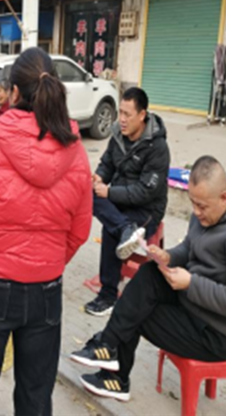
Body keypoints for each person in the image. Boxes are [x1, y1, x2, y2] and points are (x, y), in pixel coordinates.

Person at [0, 47, 93, 416]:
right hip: (46, 288)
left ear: (14, 92)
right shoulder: (75, 151)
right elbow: (80, 229)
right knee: (36, 394)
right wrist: (49, 261)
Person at [71, 155, 226, 403]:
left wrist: (191, 283)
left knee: (136, 312)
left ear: (224, 197)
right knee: (147, 275)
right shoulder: (204, 214)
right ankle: (107, 348)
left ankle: (116, 375)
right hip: (193, 302)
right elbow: (190, 247)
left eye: (202, 207)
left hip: (214, 331)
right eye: (193, 204)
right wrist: (168, 256)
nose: (197, 212)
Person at [85, 88, 171, 316]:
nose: (121, 119)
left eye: (127, 114)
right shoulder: (118, 135)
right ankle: (125, 228)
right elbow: (107, 163)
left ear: (142, 115)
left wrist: (109, 192)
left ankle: (108, 296)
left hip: (147, 209)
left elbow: (146, 191)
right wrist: (99, 177)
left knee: (110, 229)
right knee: (88, 192)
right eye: (120, 112)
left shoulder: (157, 147)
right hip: (121, 202)